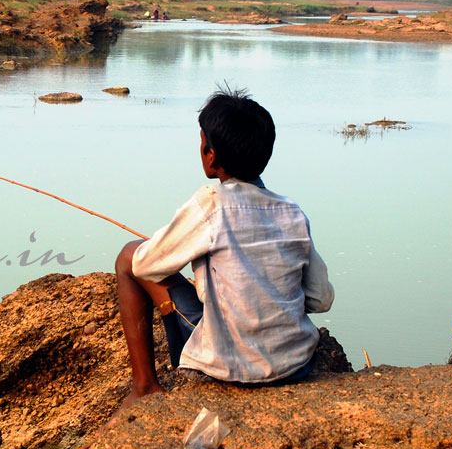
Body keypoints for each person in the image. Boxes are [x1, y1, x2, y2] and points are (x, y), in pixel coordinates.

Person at [114, 88, 334, 407]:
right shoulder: (292, 211)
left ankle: (144, 387)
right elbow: (320, 299)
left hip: (229, 368)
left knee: (128, 255)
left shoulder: (210, 205)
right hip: (298, 365)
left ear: (210, 154)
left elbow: (146, 266)